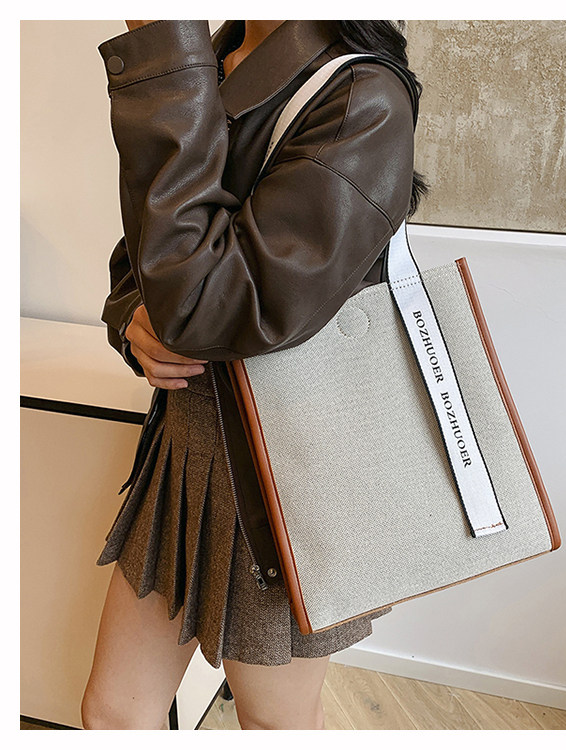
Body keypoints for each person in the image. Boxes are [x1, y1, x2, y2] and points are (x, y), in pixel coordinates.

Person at [80, 19, 429, 730]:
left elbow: (214, 309)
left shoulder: (362, 95)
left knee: (275, 723)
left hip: (284, 476)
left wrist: (165, 62)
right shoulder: (218, 54)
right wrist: (130, 317)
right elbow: (146, 258)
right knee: (113, 713)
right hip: (185, 449)